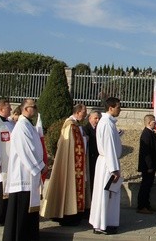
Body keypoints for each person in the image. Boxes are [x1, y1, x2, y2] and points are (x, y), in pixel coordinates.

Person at [2, 99, 47, 241]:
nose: (36, 109)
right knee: (20, 211)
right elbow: (27, 150)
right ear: (26, 109)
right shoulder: (21, 127)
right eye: (34, 107)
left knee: (28, 211)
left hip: (29, 174)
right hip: (23, 175)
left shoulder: (28, 125)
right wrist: (40, 166)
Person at [40, 104, 88, 226]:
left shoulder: (75, 125)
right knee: (68, 186)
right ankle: (68, 215)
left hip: (73, 162)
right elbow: (74, 147)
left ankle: (69, 213)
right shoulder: (71, 126)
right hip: (71, 163)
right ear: (77, 112)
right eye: (84, 112)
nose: (85, 114)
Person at [89, 97, 123, 235]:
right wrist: (114, 169)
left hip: (105, 162)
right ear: (111, 108)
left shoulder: (106, 122)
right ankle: (104, 224)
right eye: (118, 107)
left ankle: (102, 222)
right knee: (107, 195)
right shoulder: (107, 124)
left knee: (105, 195)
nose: (120, 109)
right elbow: (109, 147)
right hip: (108, 164)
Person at [137, 114, 156, 214]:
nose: (155, 123)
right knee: (145, 186)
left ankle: (147, 205)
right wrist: (150, 166)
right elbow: (146, 152)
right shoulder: (146, 134)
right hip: (147, 167)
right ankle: (142, 206)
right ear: (149, 123)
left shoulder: (150, 133)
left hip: (151, 165)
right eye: (154, 122)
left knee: (148, 185)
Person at [83, 110, 101, 192]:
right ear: (90, 118)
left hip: (97, 157)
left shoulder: (98, 128)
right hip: (91, 158)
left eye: (99, 118)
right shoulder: (86, 129)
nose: (98, 120)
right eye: (96, 118)